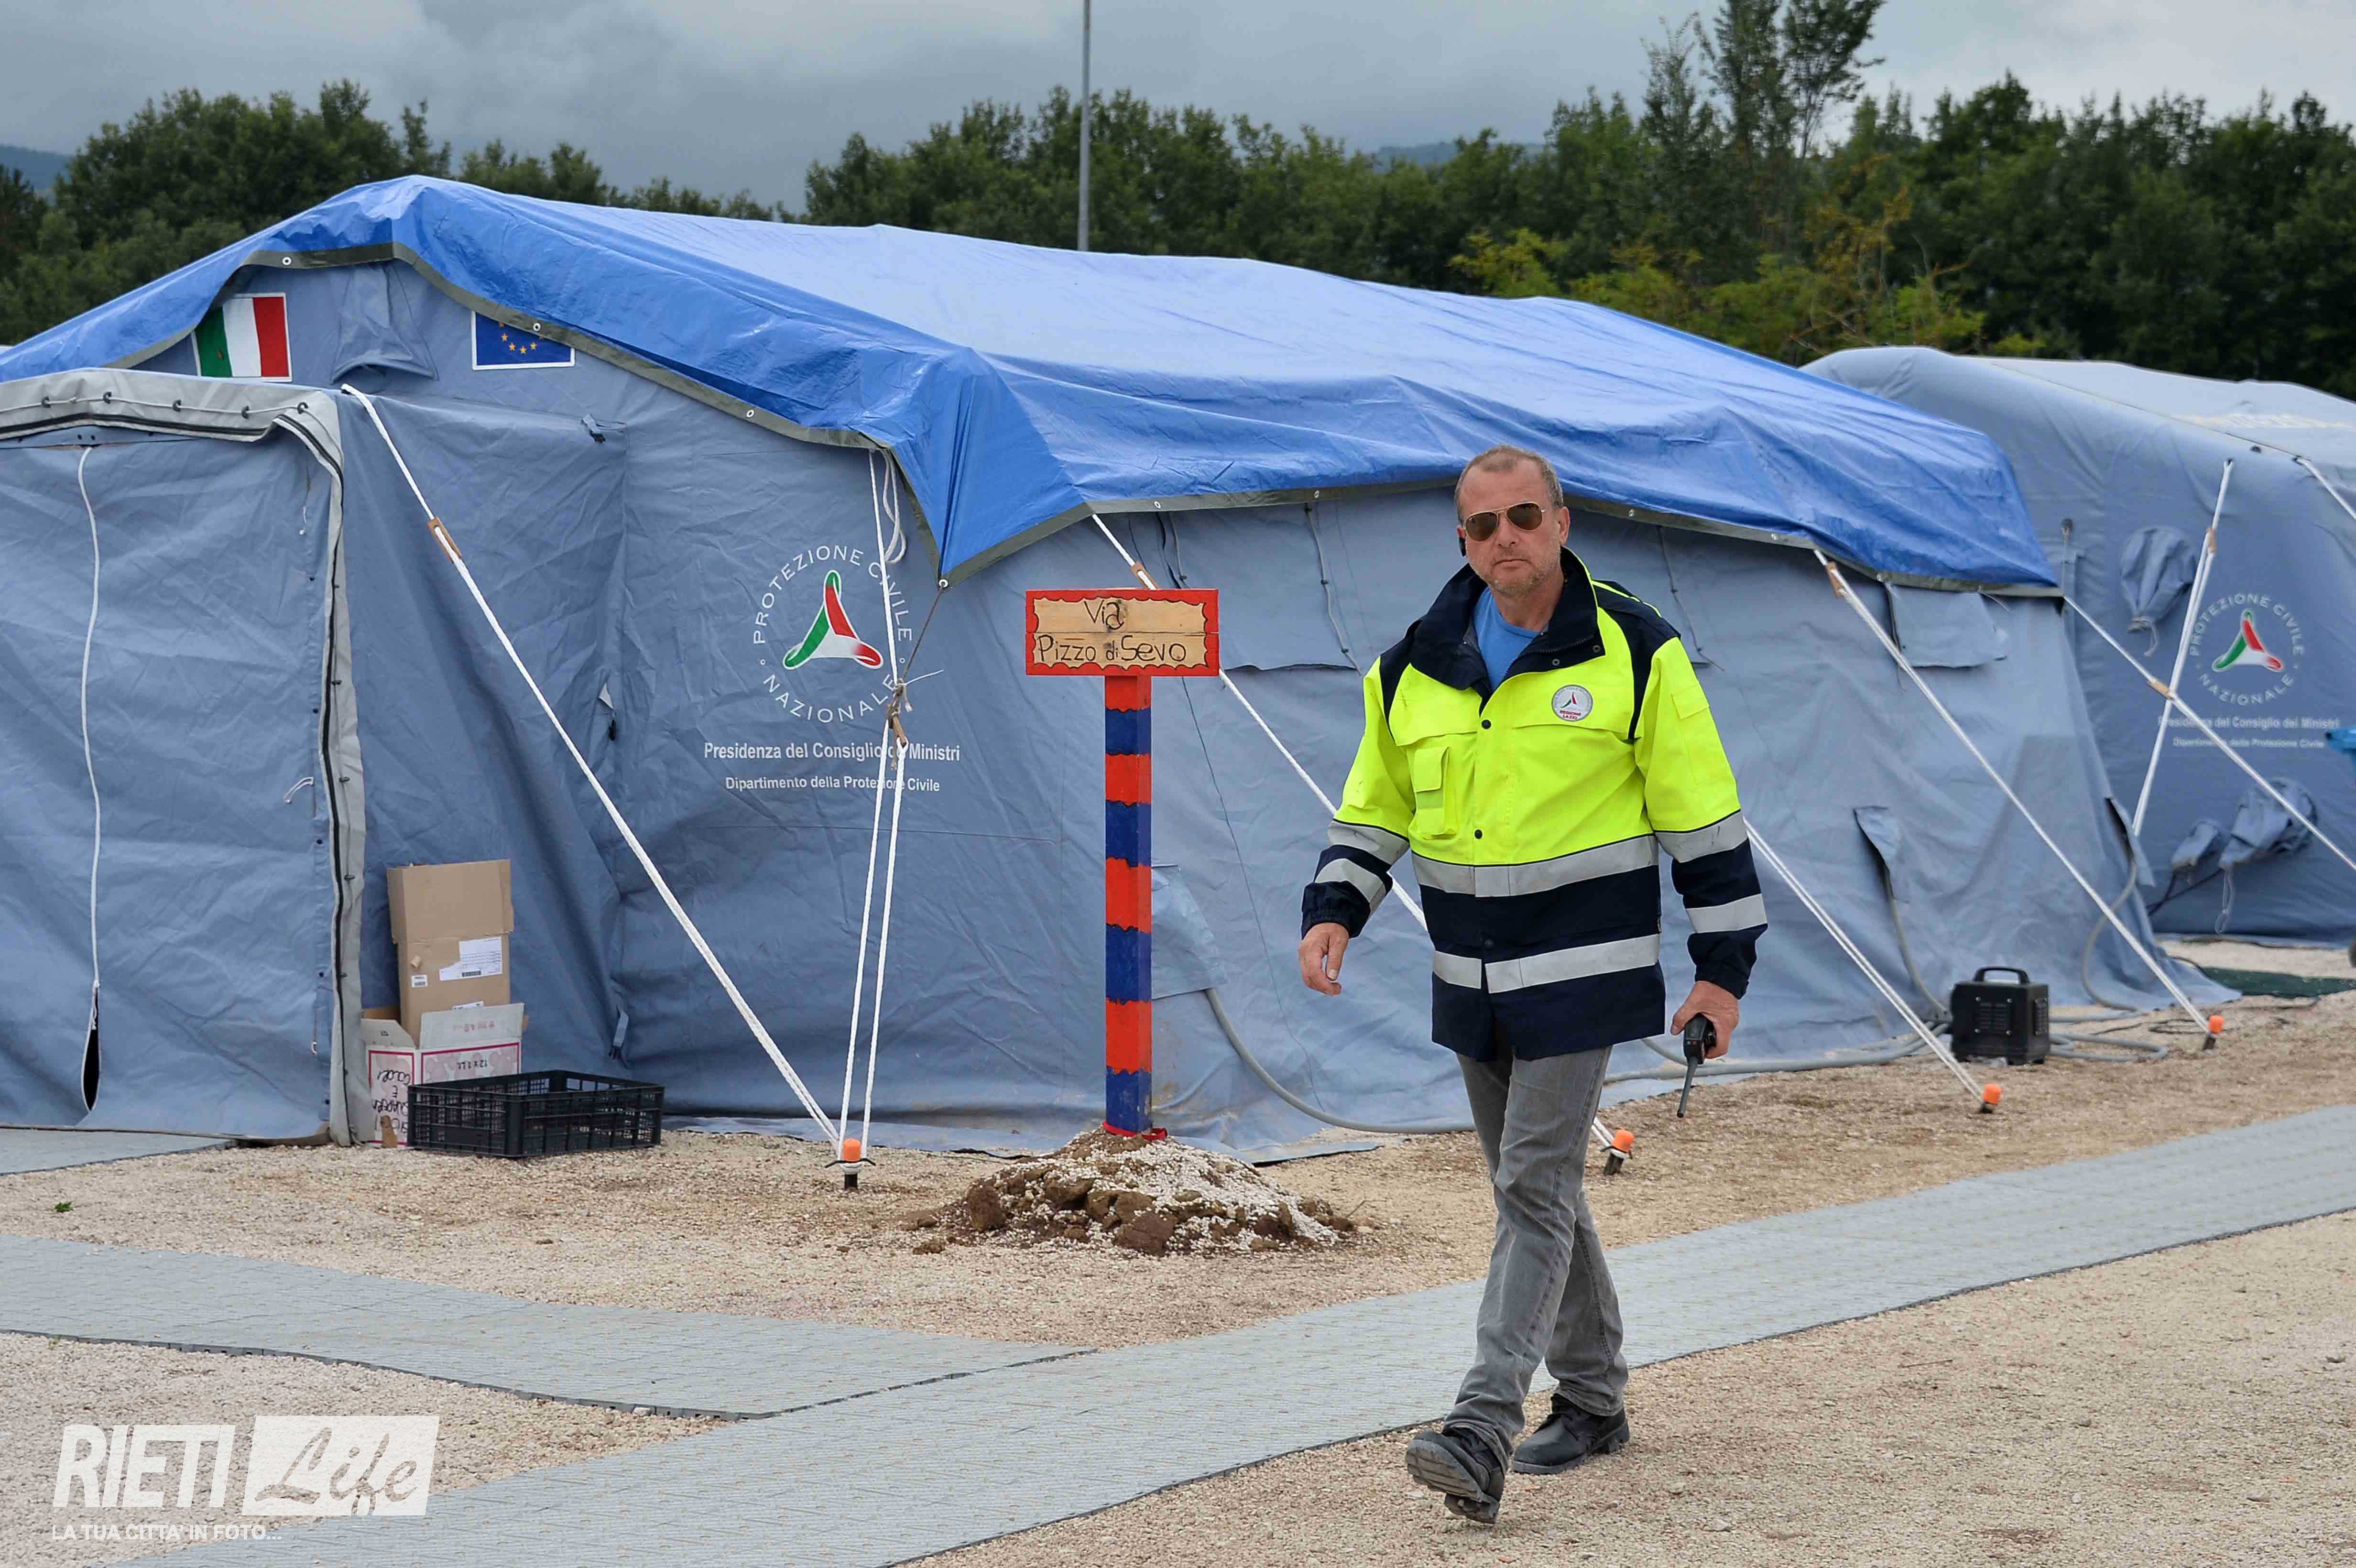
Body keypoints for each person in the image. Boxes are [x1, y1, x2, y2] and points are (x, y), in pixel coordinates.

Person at [1297, 443, 1767, 1525]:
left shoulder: (1637, 650)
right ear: (1461, 540)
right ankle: (1594, 1399)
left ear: (1560, 521)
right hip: (1469, 974)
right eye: (1482, 524)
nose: (1503, 537)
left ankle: (1480, 1422)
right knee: (1537, 1187)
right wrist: (1334, 909)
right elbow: (1375, 805)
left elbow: (1703, 816)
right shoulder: (1410, 665)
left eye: (1522, 516)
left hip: (1585, 969)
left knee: (1532, 1183)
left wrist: (1721, 974)